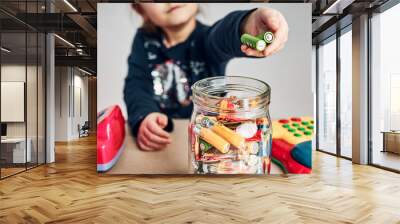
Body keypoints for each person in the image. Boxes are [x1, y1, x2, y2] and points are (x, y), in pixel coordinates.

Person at [124, 3, 288, 151]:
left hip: (213, 139)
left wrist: (246, 24)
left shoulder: (207, 39)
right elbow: (136, 85)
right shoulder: (143, 42)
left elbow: (224, 34)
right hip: (166, 140)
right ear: (139, 8)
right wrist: (144, 115)